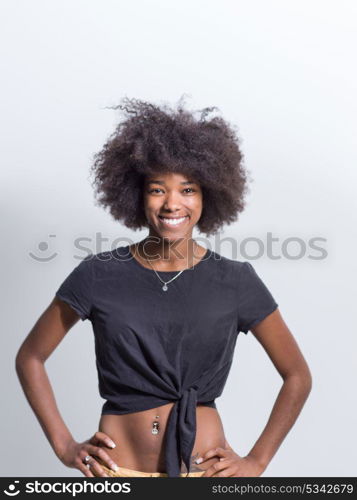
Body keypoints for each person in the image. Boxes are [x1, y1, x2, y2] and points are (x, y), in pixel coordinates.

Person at [15, 96, 312, 478]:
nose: (173, 203)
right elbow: (31, 357)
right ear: (137, 196)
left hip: (204, 475)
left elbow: (297, 375)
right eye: (158, 189)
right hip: (117, 473)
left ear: (208, 196)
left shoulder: (236, 281)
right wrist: (63, 445)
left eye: (188, 189)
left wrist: (257, 460)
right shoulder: (97, 273)